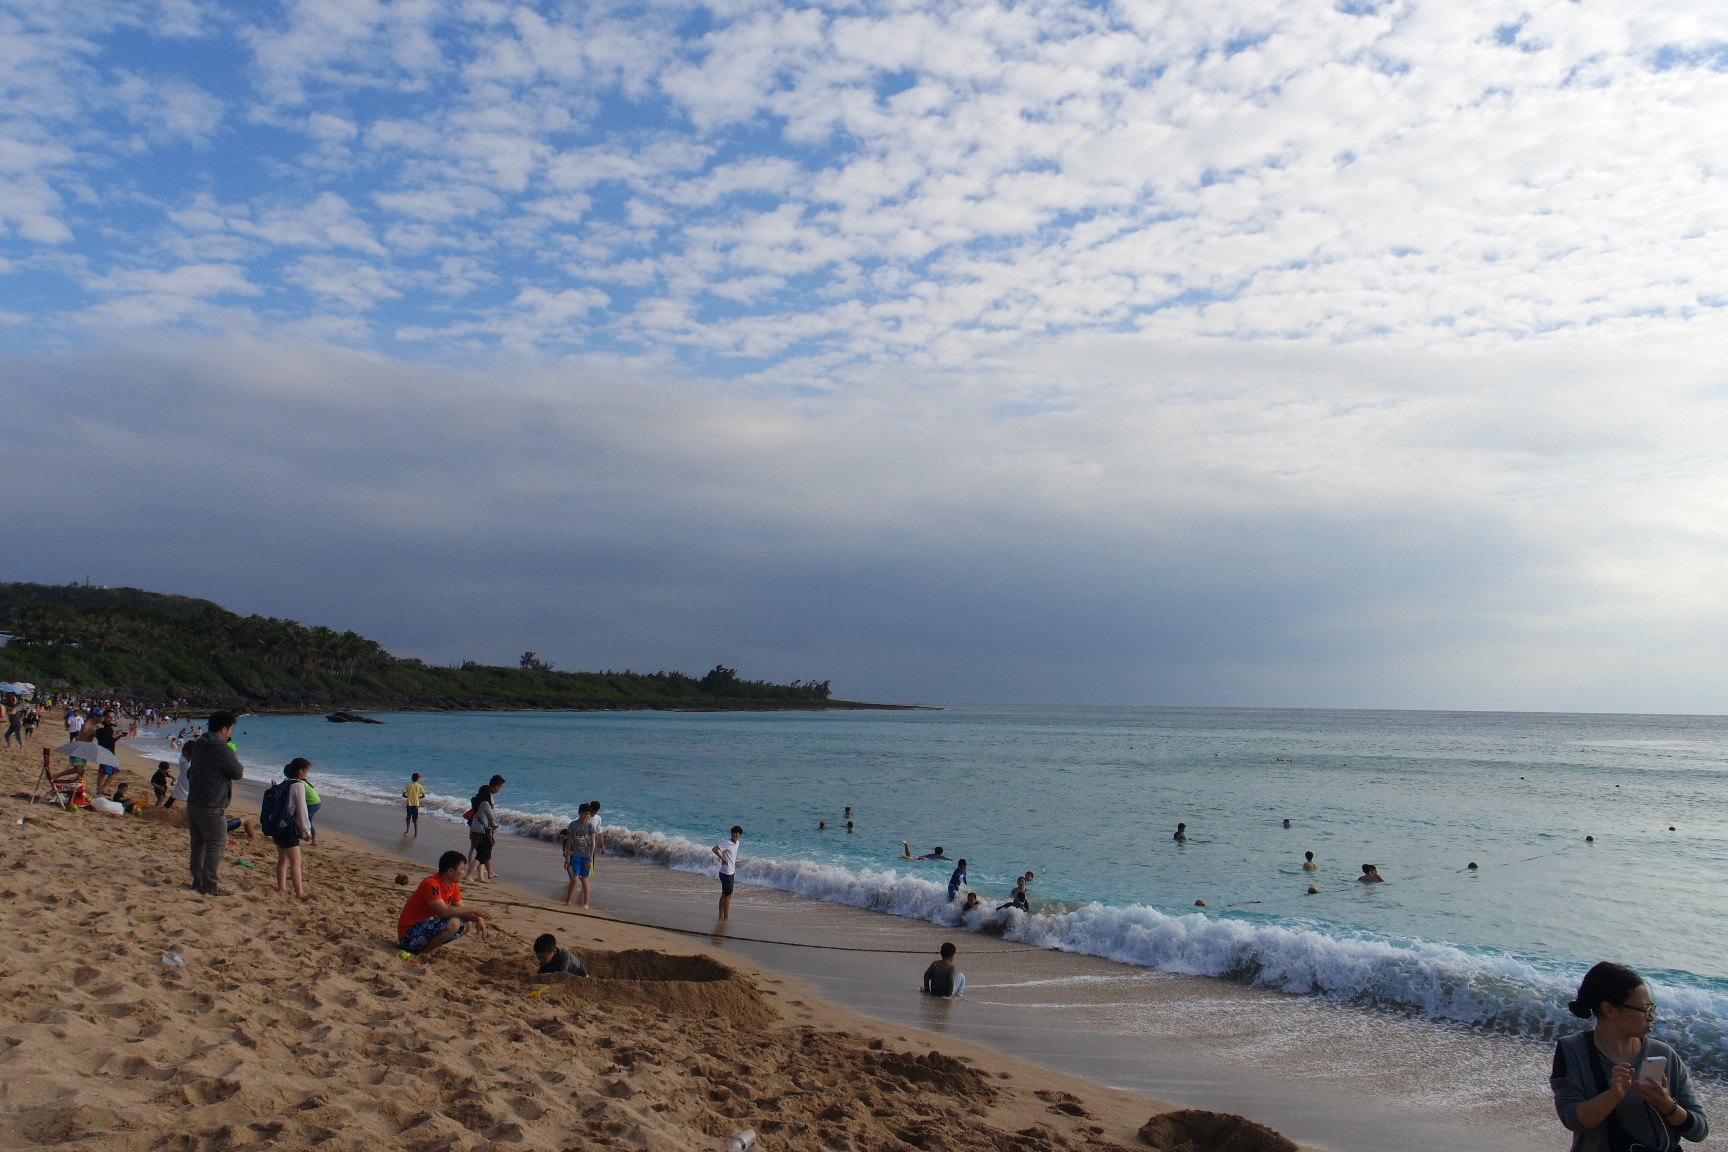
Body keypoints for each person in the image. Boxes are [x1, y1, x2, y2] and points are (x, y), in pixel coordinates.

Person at [1551, 961, 1708, 1151]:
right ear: (1609, 1009)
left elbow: (1699, 1131)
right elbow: (1571, 1119)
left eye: (1653, 1008)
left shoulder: (1664, 1054)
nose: (1651, 1016)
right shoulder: (1573, 1050)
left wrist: (1666, 1104)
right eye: (1645, 1010)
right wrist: (1613, 1095)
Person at [184, 712, 244, 896]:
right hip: (211, 804)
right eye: (231, 729)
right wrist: (229, 751)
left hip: (194, 801)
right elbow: (237, 772)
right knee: (216, 843)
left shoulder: (200, 743)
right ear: (224, 729)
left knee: (198, 843)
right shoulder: (222, 748)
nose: (230, 733)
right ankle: (209, 885)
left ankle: (198, 880)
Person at [397, 850, 493, 962]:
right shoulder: (431, 883)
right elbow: (444, 912)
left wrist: (477, 918)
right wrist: (475, 910)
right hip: (408, 936)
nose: (463, 872)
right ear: (451, 871)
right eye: (462, 869)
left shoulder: (453, 886)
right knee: (453, 923)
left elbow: (461, 910)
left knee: (466, 924)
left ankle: (425, 951)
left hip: (424, 931)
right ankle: (421, 955)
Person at [271, 758, 313, 899]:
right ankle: (299, 892)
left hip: (277, 825)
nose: (307, 774)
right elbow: (302, 811)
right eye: (306, 771)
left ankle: (281, 888)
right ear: (300, 771)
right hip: (288, 827)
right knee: (296, 861)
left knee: (282, 859)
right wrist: (307, 831)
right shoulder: (298, 786)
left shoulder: (284, 783)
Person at [562, 803, 599, 908]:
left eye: (588, 814)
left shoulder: (590, 826)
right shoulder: (573, 825)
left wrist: (591, 859)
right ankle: (568, 900)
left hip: (586, 857)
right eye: (584, 814)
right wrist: (568, 857)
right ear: (579, 813)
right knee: (574, 879)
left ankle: (586, 903)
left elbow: (592, 844)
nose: (586, 816)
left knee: (584, 879)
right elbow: (569, 841)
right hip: (576, 856)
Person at [467, 784, 500, 883]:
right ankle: (468, 875)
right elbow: (492, 816)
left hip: (476, 830)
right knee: (482, 854)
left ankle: (480, 877)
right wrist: (495, 824)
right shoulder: (485, 804)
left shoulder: (477, 802)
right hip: (483, 831)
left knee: (481, 852)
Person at [713, 825, 743, 919]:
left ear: (740, 835)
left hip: (730, 872)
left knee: (725, 894)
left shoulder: (737, 843)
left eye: (737, 833)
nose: (735, 834)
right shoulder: (727, 842)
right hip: (726, 872)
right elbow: (715, 849)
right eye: (733, 832)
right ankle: (726, 916)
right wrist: (723, 858)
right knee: (728, 895)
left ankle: (721, 915)